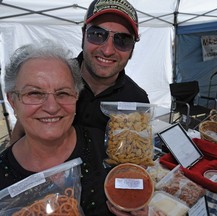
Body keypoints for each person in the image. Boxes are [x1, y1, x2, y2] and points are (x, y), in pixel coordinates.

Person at [0, 41, 150, 216]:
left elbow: (135, 192)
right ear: (12, 101)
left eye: (63, 93)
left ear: (76, 96)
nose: (51, 107)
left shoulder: (109, 148)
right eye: (34, 93)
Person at [10, 0, 150, 143]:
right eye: (97, 34)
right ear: (83, 35)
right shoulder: (54, 76)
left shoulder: (138, 100)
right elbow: (22, 129)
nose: (107, 51)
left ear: (132, 49)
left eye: (123, 40)